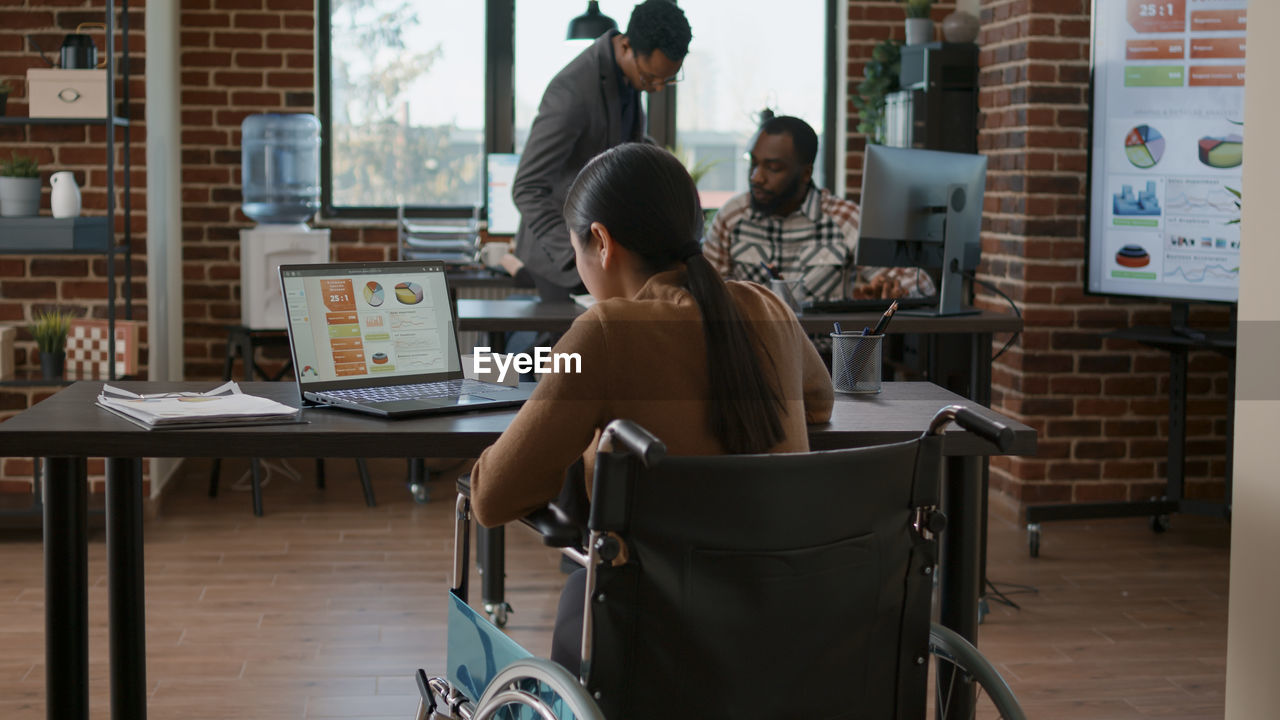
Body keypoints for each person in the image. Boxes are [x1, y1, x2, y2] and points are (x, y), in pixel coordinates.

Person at [469, 143, 833, 672]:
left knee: (578, 594)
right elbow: (818, 406)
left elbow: (492, 498)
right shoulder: (765, 304)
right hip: (787, 614)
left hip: (659, 629)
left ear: (600, 241)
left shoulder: (603, 332)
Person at [511, 0, 692, 302]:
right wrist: (579, 251)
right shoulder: (572, 92)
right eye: (651, 78)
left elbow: (620, 145)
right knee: (568, 349)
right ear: (626, 47)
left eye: (667, 80)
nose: (657, 88)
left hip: (603, 253)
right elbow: (527, 188)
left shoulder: (630, 78)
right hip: (562, 258)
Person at [703, 115, 936, 304]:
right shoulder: (731, 217)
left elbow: (921, 283)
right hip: (752, 356)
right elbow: (705, 290)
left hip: (824, 356)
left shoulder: (844, 219)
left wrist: (893, 287)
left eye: (772, 168)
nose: (756, 177)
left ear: (806, 173)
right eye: (753, 163)